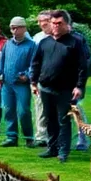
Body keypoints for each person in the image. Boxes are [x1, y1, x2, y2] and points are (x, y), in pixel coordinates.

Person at [30, 10, 89, 163]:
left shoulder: (75, 42)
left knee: (63, 120)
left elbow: (82, 67)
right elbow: (36, 63)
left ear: (66, 24)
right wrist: (33, 82)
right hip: (46, 88)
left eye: (59, 23)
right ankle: (52, 147)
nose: (55, 26)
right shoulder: (44, 42)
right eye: (53, 23)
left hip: (66, 89)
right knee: (50, 119)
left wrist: (79, 86)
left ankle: (63, 151)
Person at [0, 16, 36, 148]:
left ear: (23, 28)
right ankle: (11, 137)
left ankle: (28, 137)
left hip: (21, 84)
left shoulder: (31, 45)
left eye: (16, 28)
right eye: (11, 28)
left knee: (24, 110)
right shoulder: (7, 44)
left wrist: (27, 75)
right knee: (8, 110)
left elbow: (34, 64)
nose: (13, 30)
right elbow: (2, 61)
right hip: (7, 83)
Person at [31, 11, 53, 146]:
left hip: (58, 79)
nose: (41, 23)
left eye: (44, 20)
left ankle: (80, 137)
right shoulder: (37, 38)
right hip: (40, 78)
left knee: (68, 108)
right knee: (40, 108)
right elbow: (34, 60)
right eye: (39, 21)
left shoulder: (59, 36)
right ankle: (41, 136)